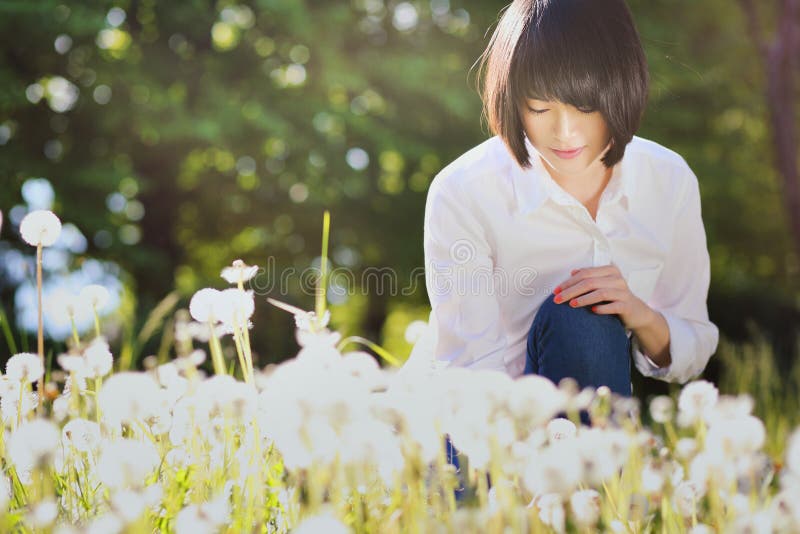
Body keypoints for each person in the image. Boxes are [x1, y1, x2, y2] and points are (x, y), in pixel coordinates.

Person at [423, 0, 720, 502]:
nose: (564, 134)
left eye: (586, 107)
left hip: (589, 428)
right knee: (577, 317)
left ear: (622, 89)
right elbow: (474, 369)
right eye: (540, 109)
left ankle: (594, 499)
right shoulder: (464, 189)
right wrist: (528, 478)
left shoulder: (668, 181)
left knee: (587, 317)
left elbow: (691, 346)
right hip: (481, 430)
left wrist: (639, 314)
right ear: (512, 100)